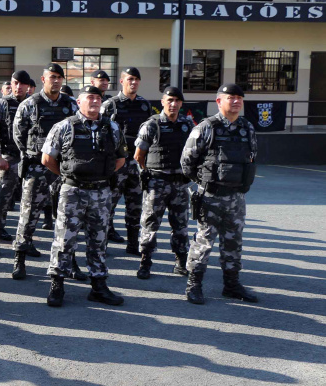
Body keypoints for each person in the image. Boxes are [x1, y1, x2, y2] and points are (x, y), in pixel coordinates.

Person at [41, 85, 127, 308]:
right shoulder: (64, 127)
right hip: (72, 191)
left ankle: (98, 285)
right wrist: (71, 174)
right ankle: (57, 284)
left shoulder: (112, 128)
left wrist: (99, 174)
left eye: (98, 98)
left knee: (98, 240)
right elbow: (47, 159)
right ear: (79, 102)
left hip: (101, 192)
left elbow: (120, 159)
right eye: (89, 98)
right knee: (64, 239)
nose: (94, 102)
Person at [180, 84, 259, 305]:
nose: (236, 101)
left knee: (233, 242)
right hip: (210, 196)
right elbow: (186, 163)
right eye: (231, 97)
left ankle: (231, 285)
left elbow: (252, 157)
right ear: (219, 101)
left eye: (239, 98)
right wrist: (205, 183)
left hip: (236, 198)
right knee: (203, 242)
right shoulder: (206, 128)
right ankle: (194, 285)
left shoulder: (247, 128)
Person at [10, 63, 78, 280]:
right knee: (28, 215)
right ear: (43, 79)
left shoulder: (71, 105)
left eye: (59, 77)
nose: (56, 80)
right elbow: (18, 135)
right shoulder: (30, 104)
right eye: (52, 77)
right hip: (37, 168)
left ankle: (70, 262)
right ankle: (20, 259)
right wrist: (32, 154)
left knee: (67, 217)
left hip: (62, 169)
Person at [132, 86, 194, 279]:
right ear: (162, 102)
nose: (173, 104)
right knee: (150, 224)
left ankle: (181, 261)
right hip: (157, 183)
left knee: (181, 224)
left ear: (181, 103)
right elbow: (138, 155)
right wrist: (149, 174)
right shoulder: (152, 125)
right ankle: (145, 261)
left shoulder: (187, 124)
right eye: (169, 100)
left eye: (177, 101)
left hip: (180, 184)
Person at [101, 67, 153, 252]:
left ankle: (132, 243)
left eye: (137, 79)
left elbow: (150, 134)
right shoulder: (110, 105)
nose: (134, 82)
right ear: (122, 81)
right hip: (117, 163)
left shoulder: (144, 105)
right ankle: (103, 244)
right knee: (108, 204)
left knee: (135, 205)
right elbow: (101, 134)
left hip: (137, 163)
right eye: (130, 79)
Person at [0, 70, 32, 257]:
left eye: (22, 83)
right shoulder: (1, 104)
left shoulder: (34, 104)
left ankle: (28, 242)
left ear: (28, 86)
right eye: (15, 83)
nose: (18, 87)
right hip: (8, 158)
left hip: (31, 160)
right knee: (0, 201)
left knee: (31, 204)